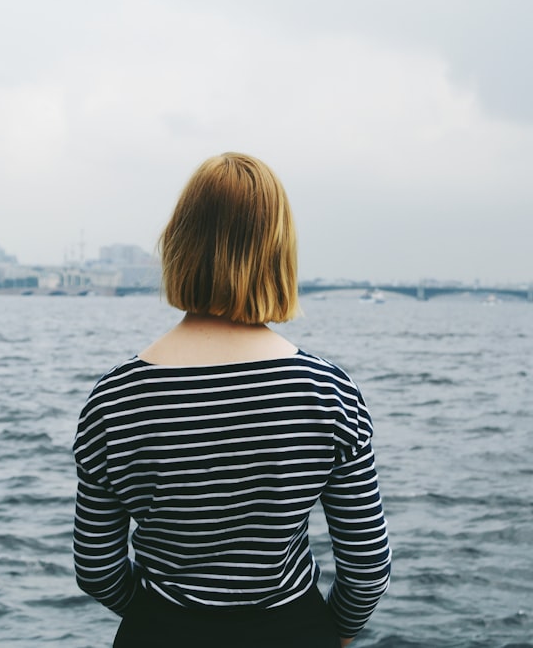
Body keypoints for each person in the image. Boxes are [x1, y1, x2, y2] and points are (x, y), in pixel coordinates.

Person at [72, 152, 391, 647]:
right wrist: (334, 635)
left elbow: (96, 568)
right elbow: (368, 566)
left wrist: (161, 619)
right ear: (277, 251)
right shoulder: (328, 392)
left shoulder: (114, 398)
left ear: (179, 245)